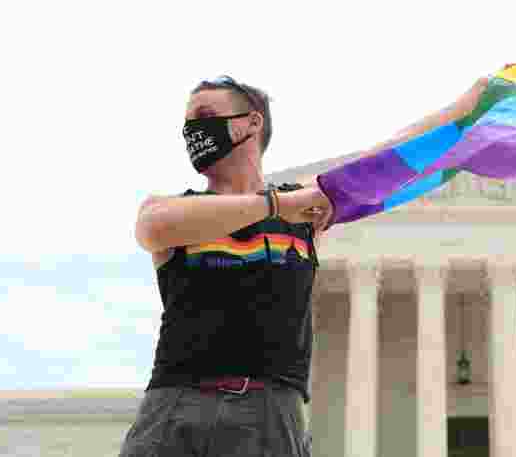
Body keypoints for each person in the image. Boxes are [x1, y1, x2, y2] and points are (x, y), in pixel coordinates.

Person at [119, 74, 487, 457]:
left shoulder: (305, 209)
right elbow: (151, 226)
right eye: (188, 122)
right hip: (176, 408)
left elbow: (383, 159)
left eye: (205, 114)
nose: (193, 129)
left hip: (270, 416)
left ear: (252, 122)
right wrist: (277, 206)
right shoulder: (179, 210)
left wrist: (468, 105)